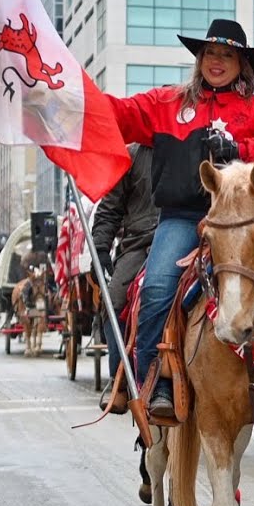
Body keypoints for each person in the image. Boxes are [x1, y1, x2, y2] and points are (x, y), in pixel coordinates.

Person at [108, 19, 254, 417]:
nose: (217, 61)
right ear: (199, 59)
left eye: (227, 54)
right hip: (183, 217)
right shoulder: (167, 104)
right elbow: (118, 114)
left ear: (242, 64)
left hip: (246, 218)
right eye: (210, 53)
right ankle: (154, 381)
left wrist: (238, 146)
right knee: (157, 287)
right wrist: (64, 88)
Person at [90, 143, 156, 414]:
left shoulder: (194, 142)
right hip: (139, 242)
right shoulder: (130, 155)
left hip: (193, 235)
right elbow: (109, 209)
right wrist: (100, 247)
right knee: (113, 300)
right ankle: (120, 380)